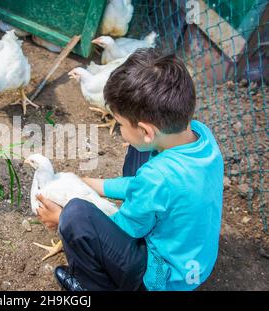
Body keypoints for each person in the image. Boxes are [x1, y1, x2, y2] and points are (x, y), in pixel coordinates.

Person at [36, 48, 224, 291]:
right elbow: (147, 184)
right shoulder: (201, 135)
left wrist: (60, 219)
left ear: (146, 130)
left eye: (121, 123)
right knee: (141, 151)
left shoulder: (157, 178)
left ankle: (91, 287)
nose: (120, 129)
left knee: (76, 218)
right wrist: (95, 184)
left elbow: (120, 228)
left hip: (164, 278)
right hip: (195, 262)